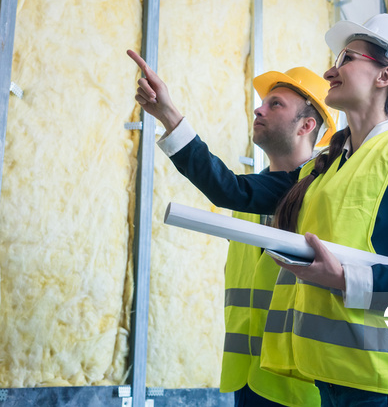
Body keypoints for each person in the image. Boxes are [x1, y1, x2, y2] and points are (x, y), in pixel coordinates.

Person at [128, 12, 388, 405]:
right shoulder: (321, 167)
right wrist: (168, 114)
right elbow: (233, 191)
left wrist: (345, 279)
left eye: (346, 59)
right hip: (332, 379)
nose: (330, 70)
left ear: (385, 75)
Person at [127, 50, 336, 406]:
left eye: (276, 105)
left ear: (306, 125)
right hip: (249, 378)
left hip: (297, 384)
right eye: (262, 103)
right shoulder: (261, 190)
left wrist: (169, 114)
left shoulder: (319, 190)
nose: (259, 110)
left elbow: (227, 189)